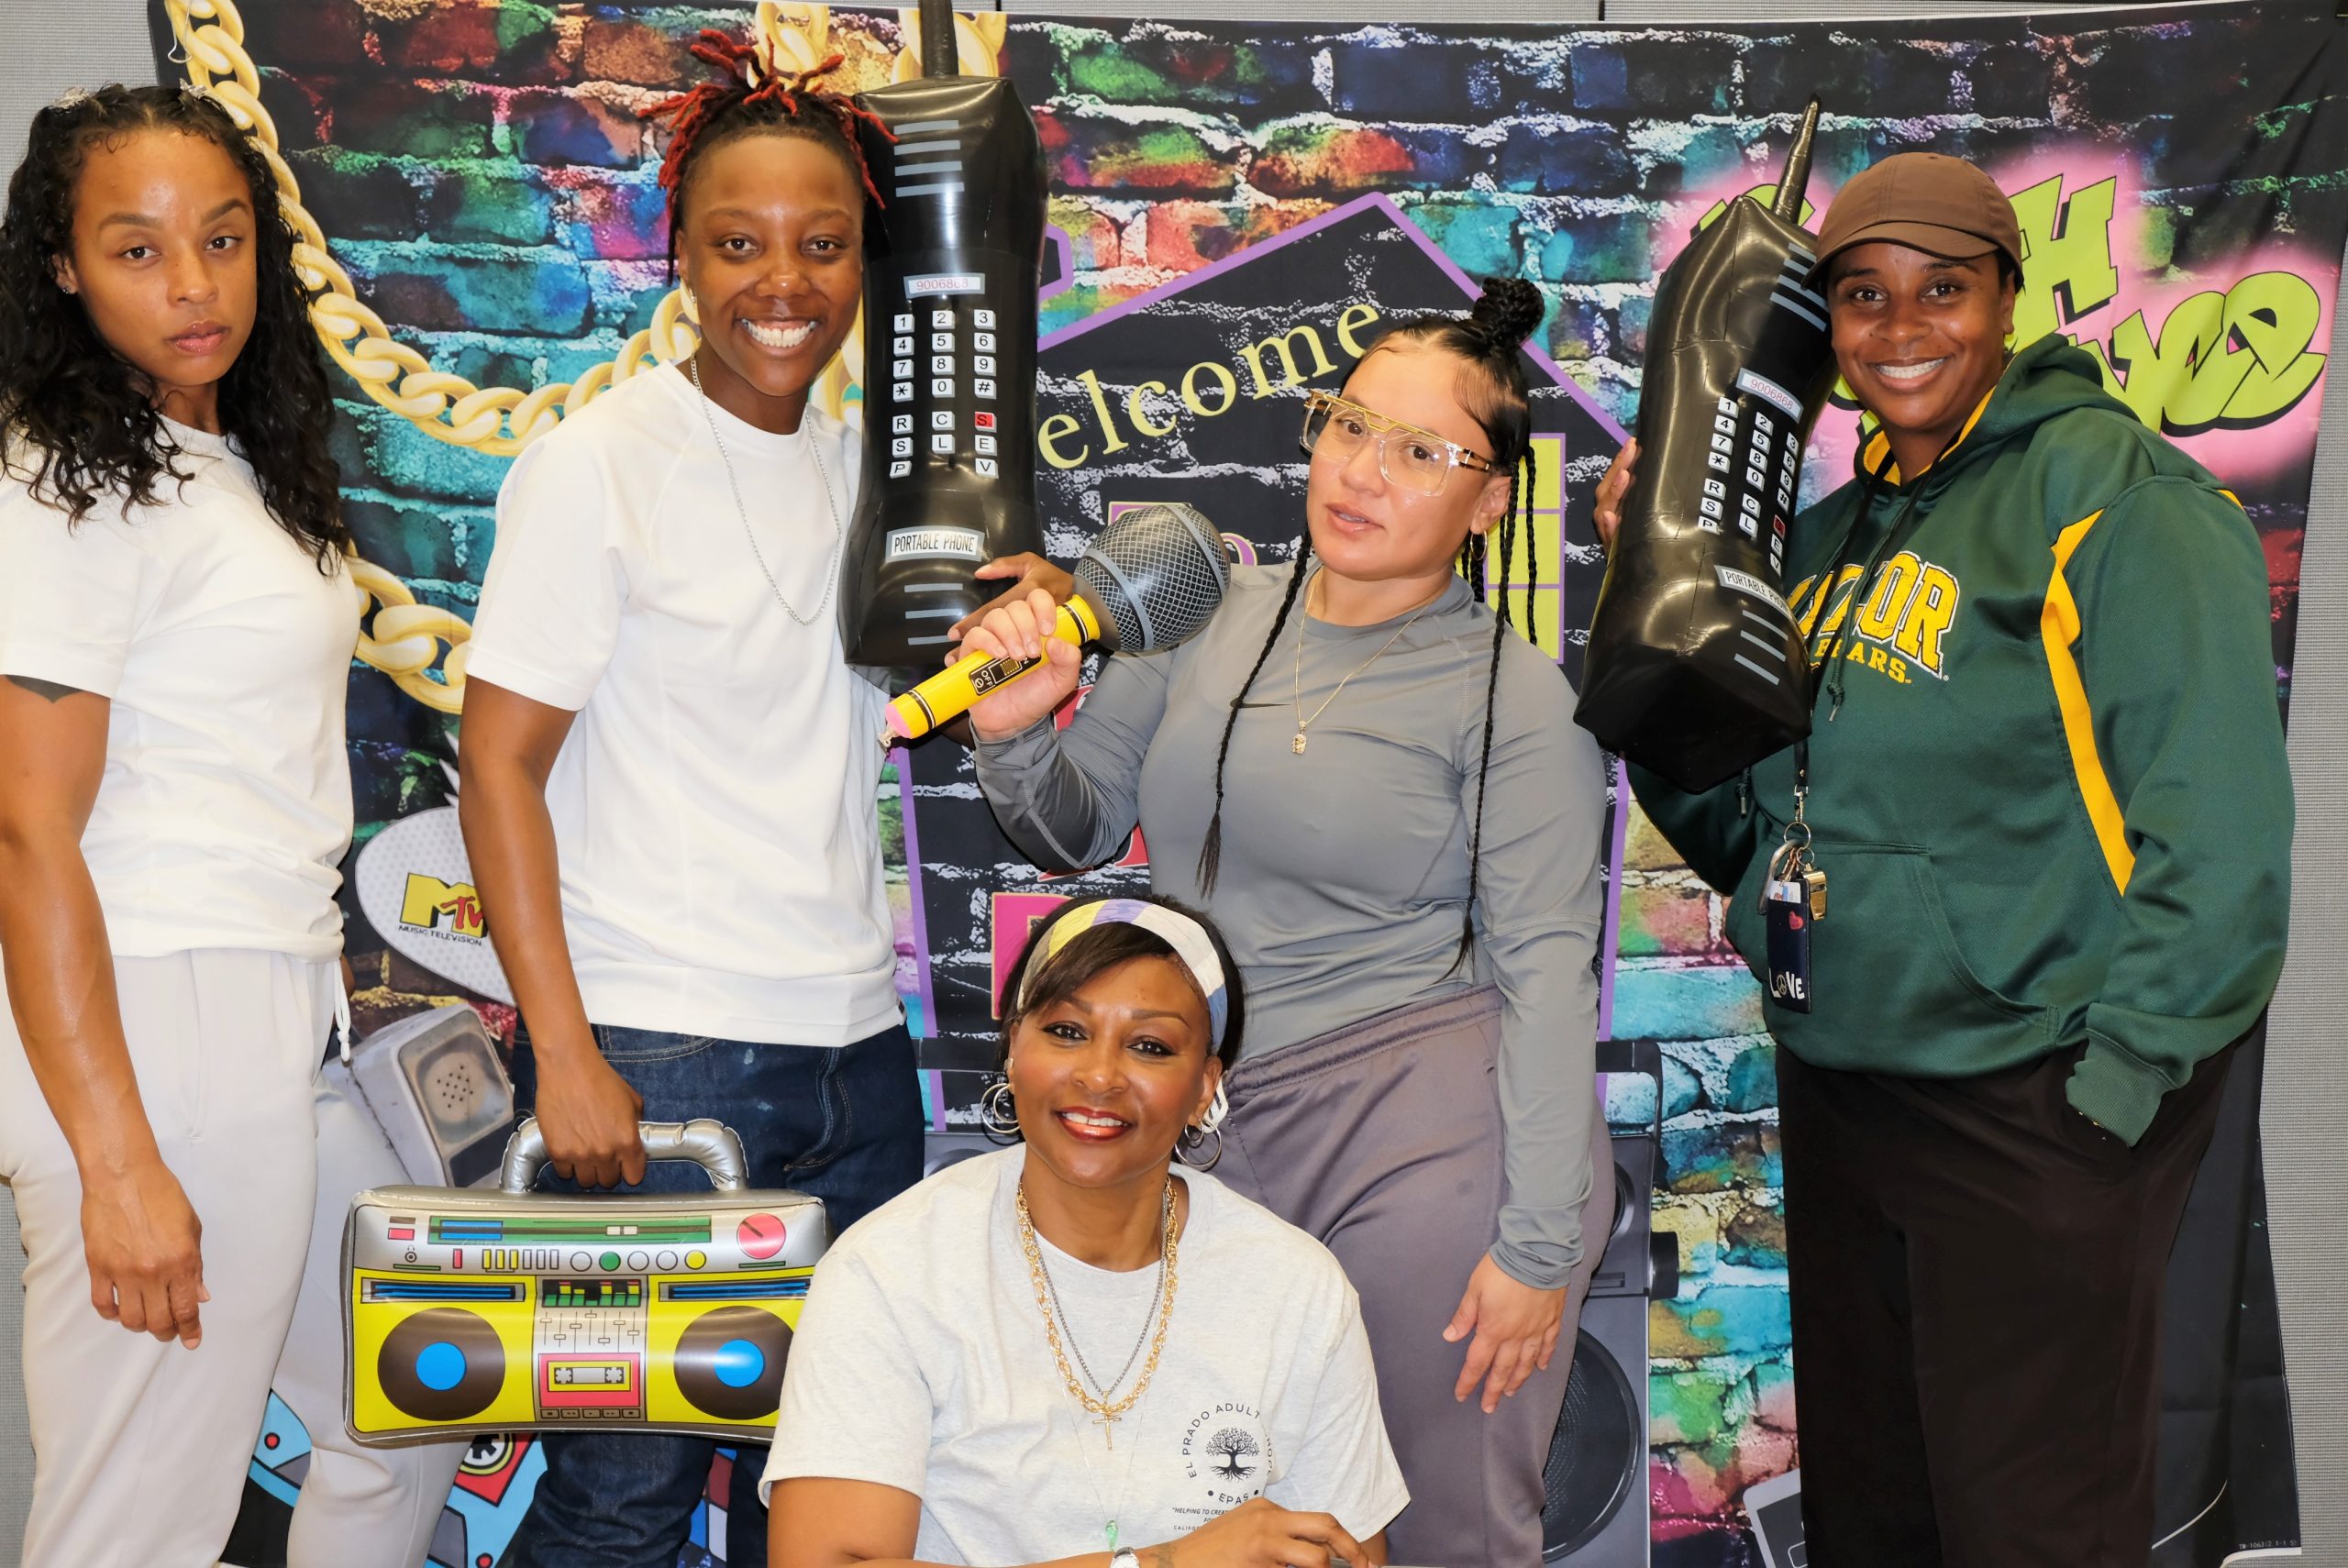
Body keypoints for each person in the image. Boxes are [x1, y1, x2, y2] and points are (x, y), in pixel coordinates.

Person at [1593, 151, 2293, 1566]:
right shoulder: (1826, 542)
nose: (1901, 327)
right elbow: (1745, 814)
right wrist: (1648, 603)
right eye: (1863, 296)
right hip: (1849, 1086)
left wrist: (2120, 1085)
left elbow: (2219, 831)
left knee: (2027, 1530)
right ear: (1828, 329)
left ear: (2005, 297)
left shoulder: (2118, 496)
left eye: (1940, 289)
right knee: (1880, 1519)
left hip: (2030, 1098)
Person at [951, 281, 1614, 1567]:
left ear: (1487, 502)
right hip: (1207, 1126)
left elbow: (1547, 978)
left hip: (1430, 1144)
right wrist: (1018, 725)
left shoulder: (1520, 702)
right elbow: (1081, 830)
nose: (1365, 470)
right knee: (1224, 1522)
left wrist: (1536, 1247)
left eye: (1424, 451)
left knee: (1436, 1525)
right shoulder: (1209, 613)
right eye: (1351, 424)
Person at [457, 32, 923, 1568]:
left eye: (820, 245)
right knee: (620, 1508)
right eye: (736, 245)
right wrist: (569, 1057)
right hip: (659, 1064)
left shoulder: (874, 474)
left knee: (836, 1495)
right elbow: (500, 768)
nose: (778, 283)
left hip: (861, 1060)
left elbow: (914, 720)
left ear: (865, 262)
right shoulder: (603, 464)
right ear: (681, 256)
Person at [0, 83, 377, 1562]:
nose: (195, 284)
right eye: (139, 250)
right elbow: (29, 831)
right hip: (159, 1010)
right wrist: (117, 1158)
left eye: (221, 241)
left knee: (397, 1409)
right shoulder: (63, 483)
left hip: (276, 1002)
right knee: (135, 1522)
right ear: (62, 269)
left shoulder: (223, 467)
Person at [765, 895, 1407, 1568]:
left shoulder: (1295, 1286)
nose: (1100, 1076)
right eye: (1067, 1032)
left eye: (1150, 1046)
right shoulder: (891, 1268)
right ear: (1013, 1049)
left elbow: (1346, 1553)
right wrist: (1159, 1564)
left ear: (1203, 1089)